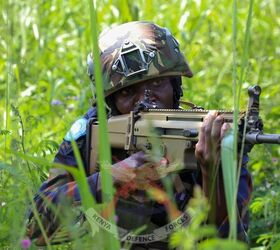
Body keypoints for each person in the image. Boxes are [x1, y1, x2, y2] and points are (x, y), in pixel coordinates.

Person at [26, 21, 252, 249]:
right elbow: (35, 229)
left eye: (157, 83)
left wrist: (212, 173)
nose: (145, 101)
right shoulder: (89, 137)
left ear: (176, 87)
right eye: (127, 91)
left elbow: (227, 243)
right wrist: (112, 177)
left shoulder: (209, 136)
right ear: (110, 104)